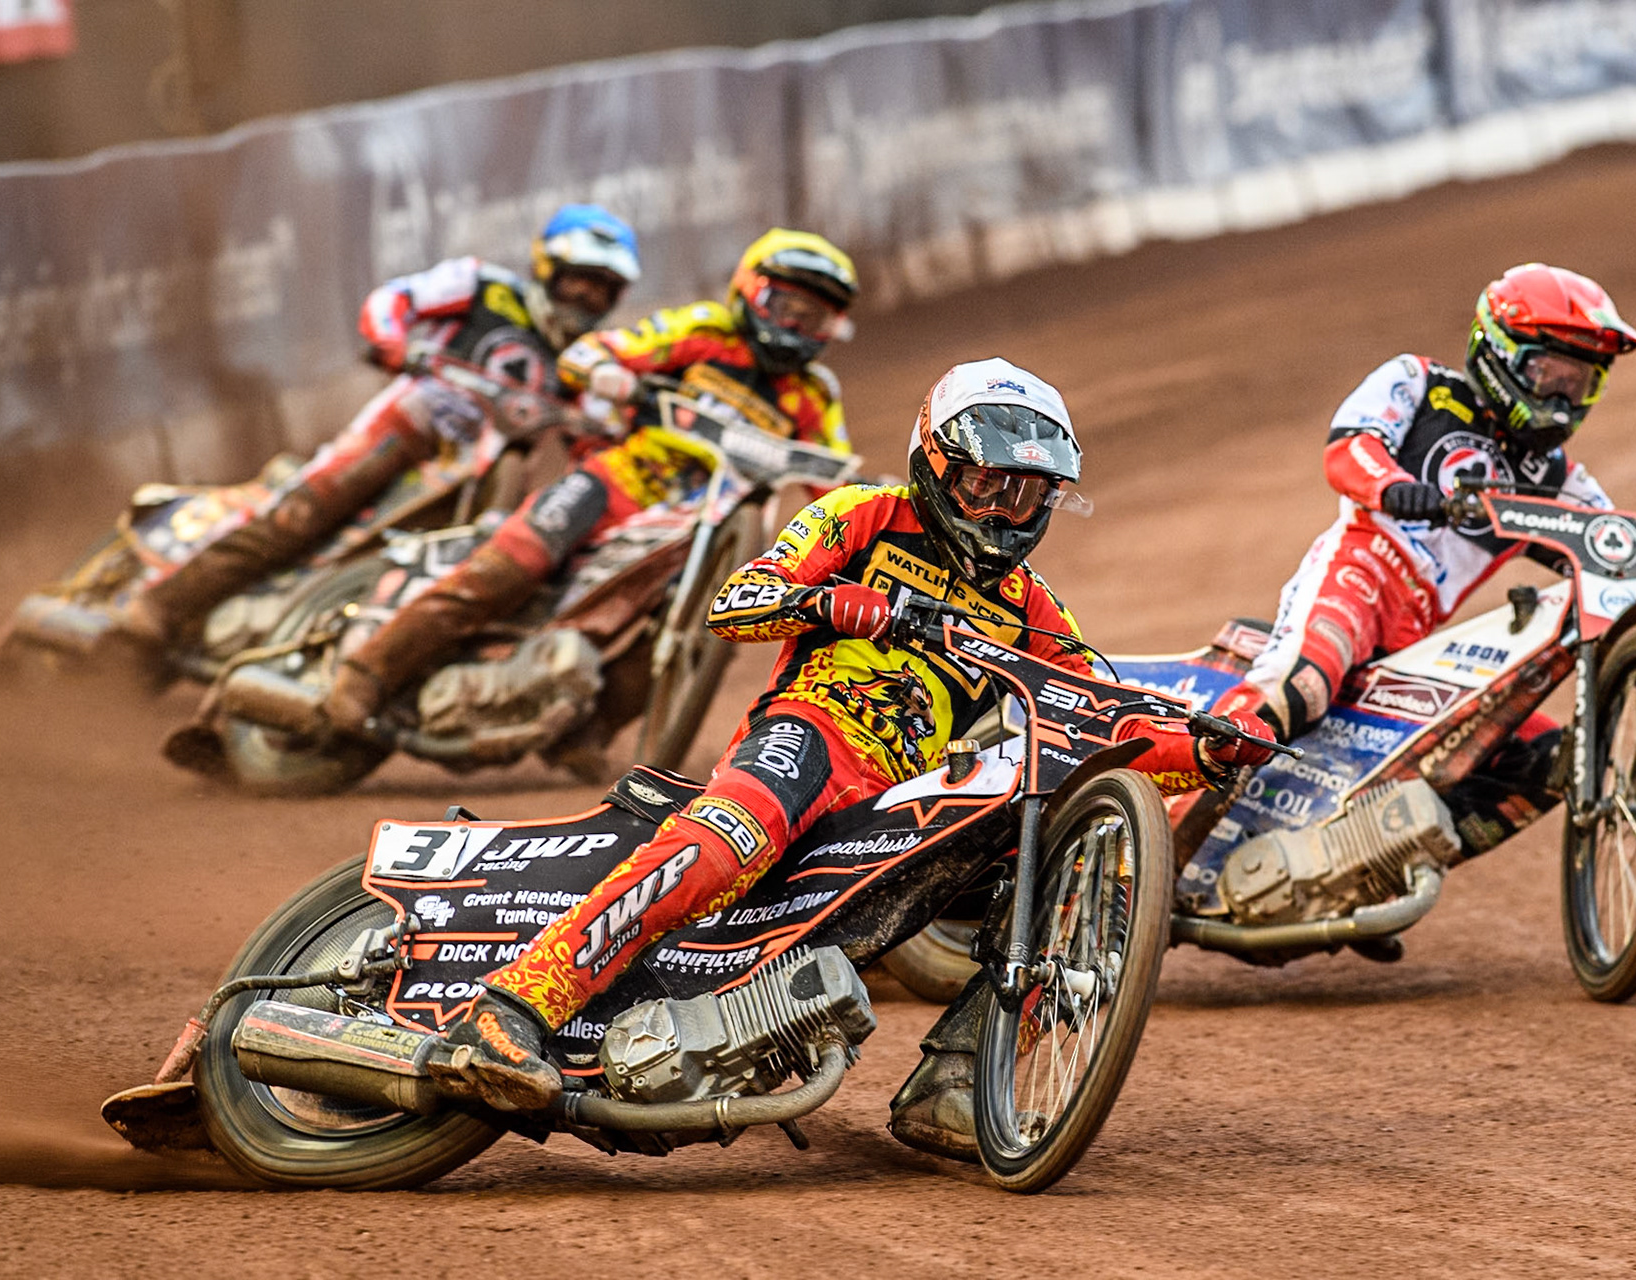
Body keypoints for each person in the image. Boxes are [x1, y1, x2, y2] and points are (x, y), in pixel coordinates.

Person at [415, 359, 1277, 1153]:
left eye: (1026, 496)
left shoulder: (1031, 605)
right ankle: (510, 1008)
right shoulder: (863, 514)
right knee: (732, 839)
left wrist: (1202, 747)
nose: (1000, 514)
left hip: (899, 804)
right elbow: (739, 601)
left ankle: (955, 1080)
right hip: (810, 736)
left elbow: (1101, 711)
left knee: (1061, 874)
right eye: (985, 485)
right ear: (935, 463)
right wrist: (853, 606)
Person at [1205, 263, 1636, 857]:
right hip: (1357, 574)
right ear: (1498, 353)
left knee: (1550, 762)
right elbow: (1349, 446)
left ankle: (1372, 873)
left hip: (1420, 640)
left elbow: (1619, 552)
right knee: (1303, 681)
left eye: (1580, 383)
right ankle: (1164, 821)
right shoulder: (1418, 382)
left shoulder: (1555, 480)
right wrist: (1391, 488)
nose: (1564, 400)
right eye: (1548, 375)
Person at [321, 227, 860, 737]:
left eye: (812, 318)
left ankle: (587, 732)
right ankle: (367, 673)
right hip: (619, 483)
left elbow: (832, 486)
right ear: (748, 291)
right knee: (514, 563)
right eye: (784, 307)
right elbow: (590, 352)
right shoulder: (703, 332)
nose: (793, 325)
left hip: (702, 526)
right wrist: (609, 371)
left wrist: (864, 512)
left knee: (709, 624)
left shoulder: (814, 395)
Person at [116, 204, 642, 654]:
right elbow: (394, 300)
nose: (589, 298)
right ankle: (165, 602)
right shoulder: (483, 285)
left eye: (605, 289)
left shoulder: (582, 364)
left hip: (487, 470)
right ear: (548, 265)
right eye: (581, 278)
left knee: (481, 554)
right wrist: (395, 342)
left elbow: (593, 440)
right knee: (304, 514)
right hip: (420, 416)